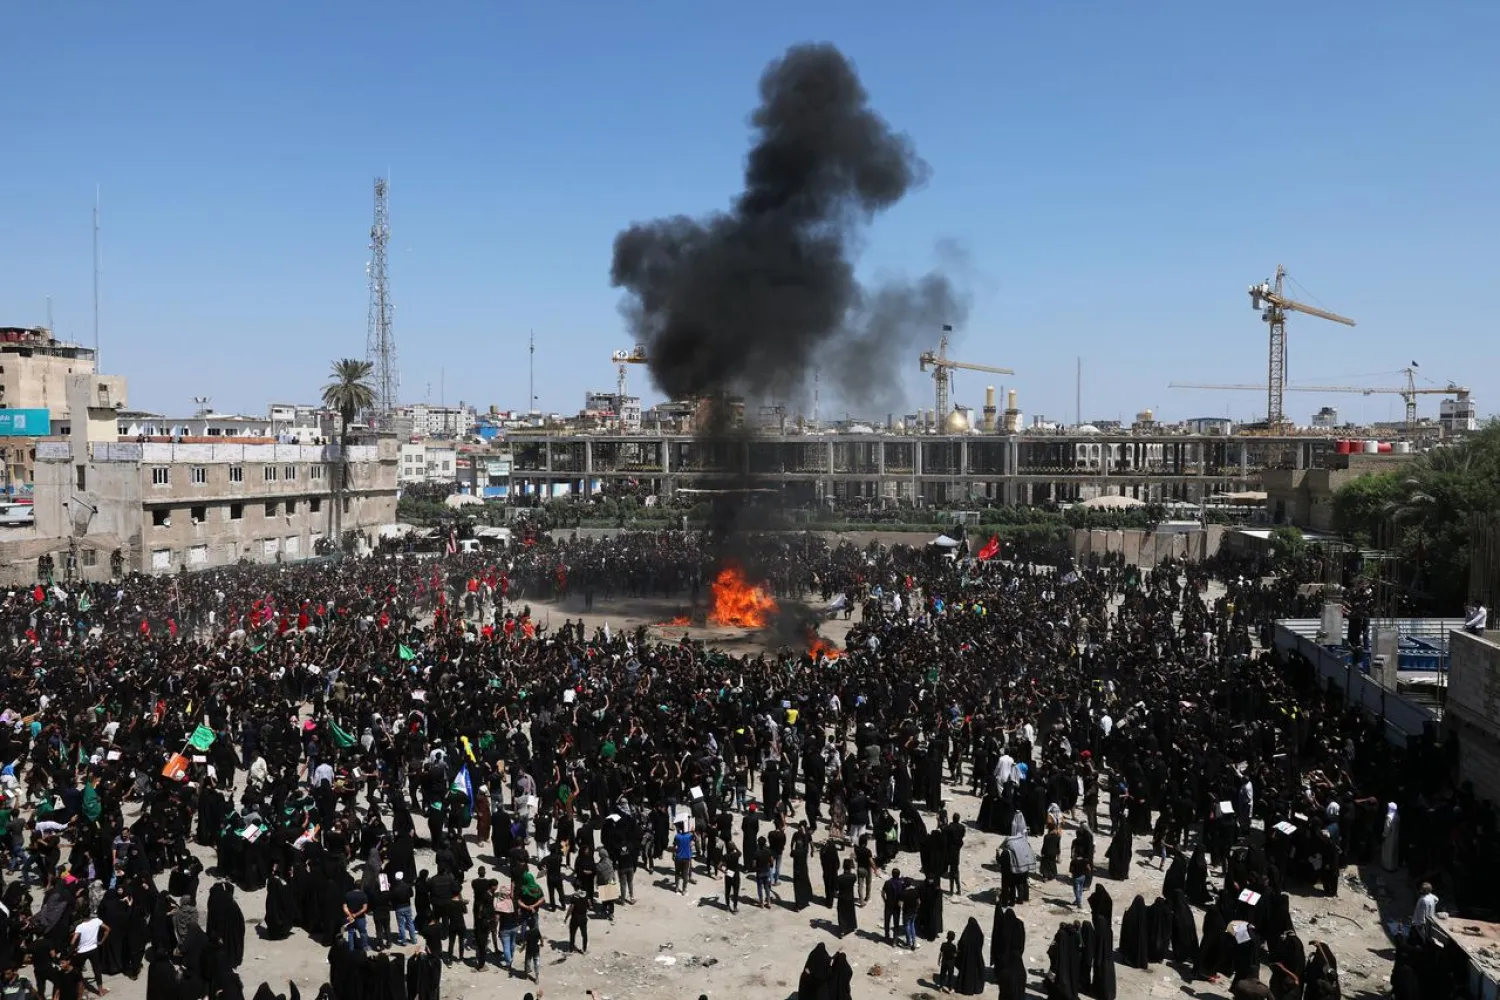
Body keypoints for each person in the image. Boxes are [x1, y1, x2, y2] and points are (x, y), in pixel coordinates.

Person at [673, 823, 695, 895]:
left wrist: (673, 854)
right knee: (685, 875)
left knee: (677, 873)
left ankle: (676, 888)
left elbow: (674, 846)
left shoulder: (677, 836)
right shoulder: (689, 836)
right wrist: (693, 832)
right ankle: (684, 890)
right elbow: (697, 839)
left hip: (678, 857)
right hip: (686, 858)